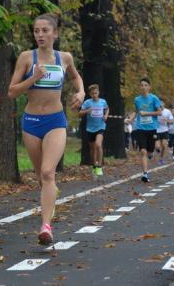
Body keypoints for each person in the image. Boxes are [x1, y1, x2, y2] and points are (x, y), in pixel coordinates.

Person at [7, 13, 85, 245]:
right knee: (42, 178)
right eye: (36, 31)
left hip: (55, 121)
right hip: (31, 122)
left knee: (48, 172)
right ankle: (50, 197)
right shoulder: (26, 58)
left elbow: (76, 78)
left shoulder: (65, 58)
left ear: (55, 33)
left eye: (44, 30)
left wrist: (80, 93)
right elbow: (12, 91)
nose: (40, 35)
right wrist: (34, 77)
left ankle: (46, 227)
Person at [134, 78, 162, 183]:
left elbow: (159, 113)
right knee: (143, 151)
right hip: (140, 128)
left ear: (149, 87)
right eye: (142, 85)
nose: (144, 87)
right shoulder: (137, 100)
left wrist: (147, 113)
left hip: (152, 128)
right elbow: (136, 111)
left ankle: (151, 153)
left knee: (150, 150)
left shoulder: (154, 98)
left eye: (146, 85)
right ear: (140, 87)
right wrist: (131, 119)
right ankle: (145, 174)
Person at [79, 84, 109, 176]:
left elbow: (107, 109)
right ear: (90, 94)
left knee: (98, 145)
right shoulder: (87, 103)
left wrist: (106, 115)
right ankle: (94, 165)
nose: (94, 95)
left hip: (100, 126)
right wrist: (87, 111)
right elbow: (79, 114)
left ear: (98, 93)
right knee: (93, 149)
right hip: (90, 128)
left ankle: (99, 166)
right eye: (92, 94)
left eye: (96, 93)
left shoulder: (103, 102)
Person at [156, 101, 173, 165]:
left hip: (165, 130)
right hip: (156, 130)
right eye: (159, 103)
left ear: (164, 104)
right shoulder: (155, 111)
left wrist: (166, 120)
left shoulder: (167, 111)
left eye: (162, 103)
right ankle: (157, 149)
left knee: (164, 146)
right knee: (157, 146)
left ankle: (161, 159)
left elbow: (171, 121)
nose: (161, 104)